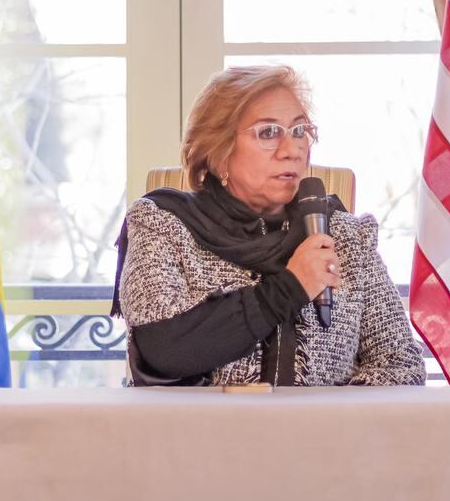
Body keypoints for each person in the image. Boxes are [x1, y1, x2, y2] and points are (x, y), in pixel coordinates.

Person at [117, 65, 425, 386]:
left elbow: (402, 365)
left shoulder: (346, 236)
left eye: (299, 131)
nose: (292, 151)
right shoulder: (164, 223)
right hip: (199, 421)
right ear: (218, 152)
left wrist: (326, 413)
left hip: (323, 422)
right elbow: (161, 347)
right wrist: (290, 288)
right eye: (268, 132)